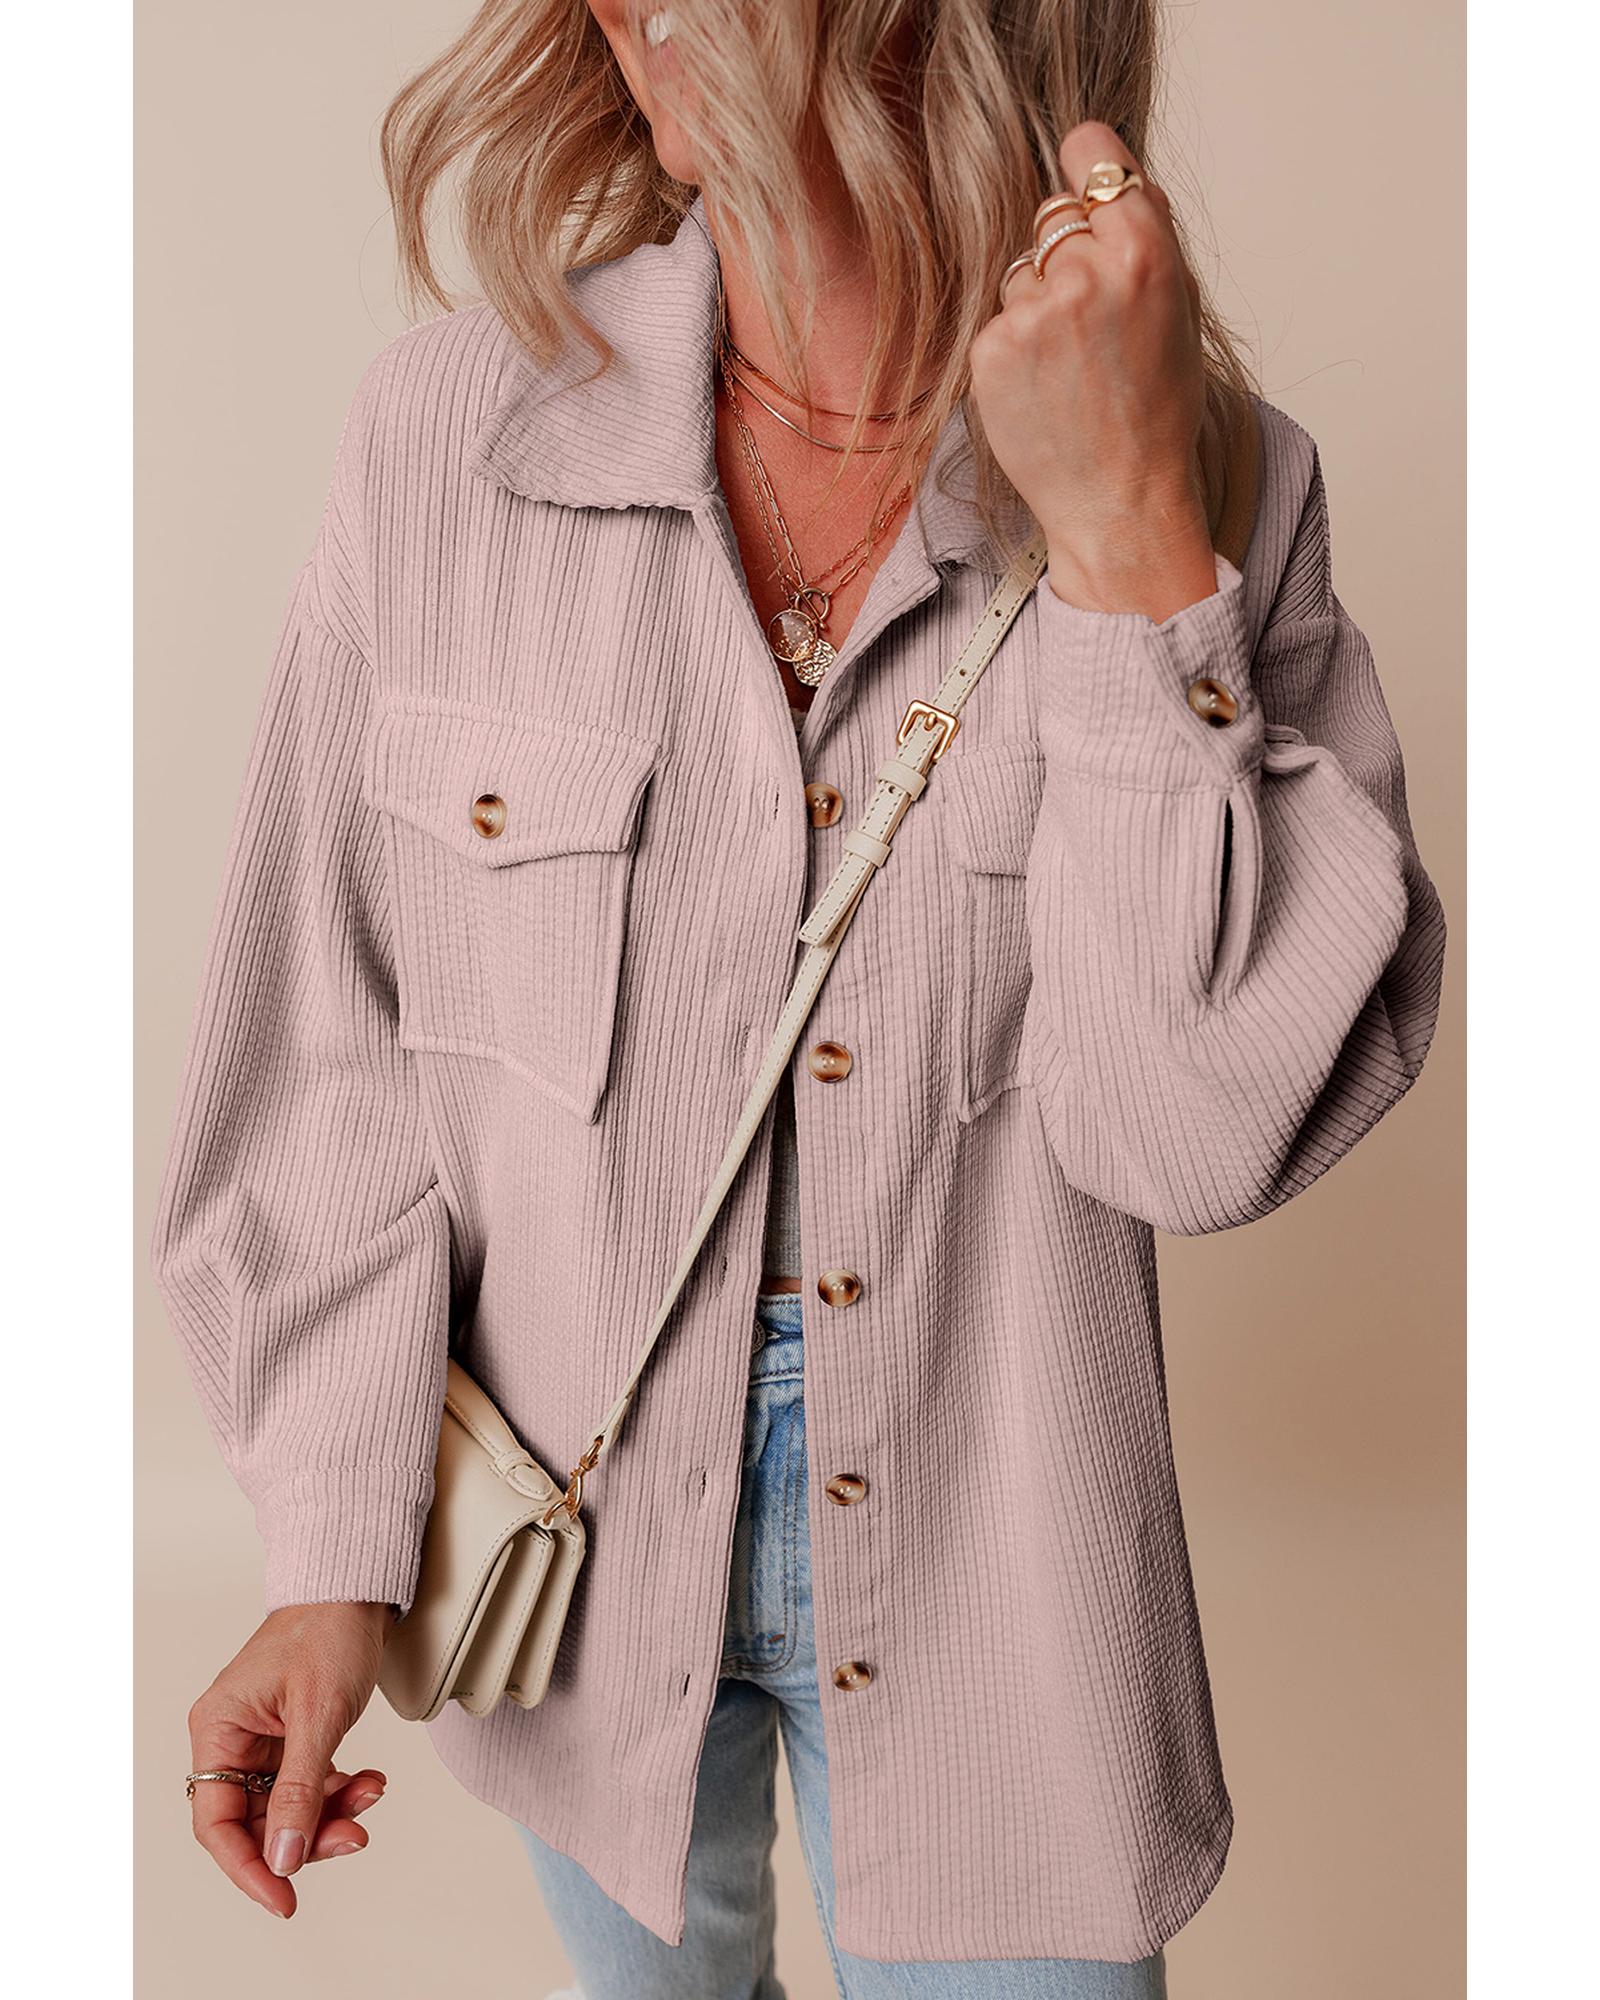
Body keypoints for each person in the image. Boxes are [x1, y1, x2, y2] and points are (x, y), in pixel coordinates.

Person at [150, 2, 1447, 1993]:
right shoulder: (449, 437)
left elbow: (1183, 1134)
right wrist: (333, 1557)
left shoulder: (1216, 492)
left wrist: (1123, 539)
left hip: (1004, 1591)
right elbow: (325, 1057)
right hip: (567, 1569)